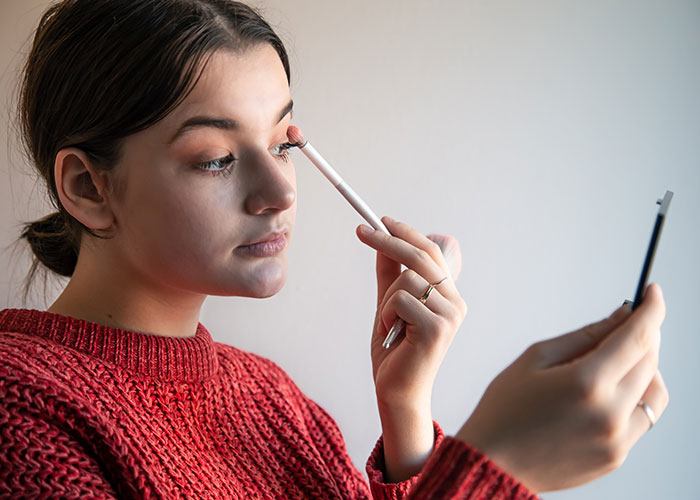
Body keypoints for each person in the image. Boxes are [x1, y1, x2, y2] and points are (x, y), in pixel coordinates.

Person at [0, 1, 668, 498]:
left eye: (283, 143)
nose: (281, 191)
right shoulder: (21, 411)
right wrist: (500, 468)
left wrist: (406, 416)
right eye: (217, 158)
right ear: (89, 188)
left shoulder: (272, 398)